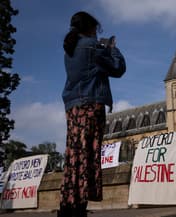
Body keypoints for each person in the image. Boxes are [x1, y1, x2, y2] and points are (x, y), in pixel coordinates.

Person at [59, 11, 126, 217]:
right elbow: (118, 68)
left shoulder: (69, 50)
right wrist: (112, 48)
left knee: (74, 156)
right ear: (89, 27)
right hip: (90, 106)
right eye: (96, 29)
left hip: (73, 107)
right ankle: (78, 209)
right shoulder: (93, 47)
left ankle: (68, 205)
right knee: (88, 155)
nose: (97, 33)